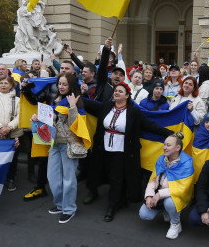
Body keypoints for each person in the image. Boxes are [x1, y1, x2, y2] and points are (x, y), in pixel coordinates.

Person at [82, 83, 173, 221]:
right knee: (102, 173)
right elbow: (89, 105)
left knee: (116, 178)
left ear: (127, 95)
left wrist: (169, 133)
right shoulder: (106, 107)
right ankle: (113, 198)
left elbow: (149, 125)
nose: (116, 93)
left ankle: (112, 205)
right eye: (115, 91)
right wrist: (76, 98)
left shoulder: (133, 112)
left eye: (120, 91)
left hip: (122, 151)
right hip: (103, 149)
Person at [38, 73, 84, 224]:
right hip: (54, 144)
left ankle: (69, 209)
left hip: (69, 144)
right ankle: (60, 204)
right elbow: (50, 121)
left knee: (69, 179)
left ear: (71, 85)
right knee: (52, 178)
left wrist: (72, 107)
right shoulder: (56, 100)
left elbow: (77, 126)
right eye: (59, 84)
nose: (61, 86)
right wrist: (37, 118)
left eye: (64, 84)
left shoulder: (76, 100)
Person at [140, 133, 194, 239]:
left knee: (170, 202)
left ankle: (176, 224)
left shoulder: (187, 162)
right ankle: (166, 210)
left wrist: (159, 195)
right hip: (161, 194)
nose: (164, 147)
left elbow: (182, 189)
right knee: (144, 214)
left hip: (180, 196)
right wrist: (149, 196)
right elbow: (153, 180)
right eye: (164, 144)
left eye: (168, 145)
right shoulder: (161, 159)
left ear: (178, 148)